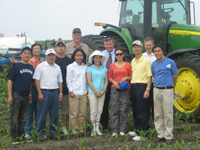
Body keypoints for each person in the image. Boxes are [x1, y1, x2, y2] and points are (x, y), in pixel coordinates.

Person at [33, 49, 63, 140]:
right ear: (45, 57)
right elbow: (36, 80)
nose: (51, 57)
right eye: (49, 55)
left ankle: (53, 132)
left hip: (55, 92)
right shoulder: (40, 66)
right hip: (44, 92)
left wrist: (60, 93)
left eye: (53, 55)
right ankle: (40, 133)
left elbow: (60, 81)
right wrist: (39, 93)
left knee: (55, 114)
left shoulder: (57, 67)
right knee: (42, 114)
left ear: (55, 56)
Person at [7, 46, 34, 144]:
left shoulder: (31, 67)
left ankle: (21, 136)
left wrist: (30, 95)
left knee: (23, 118)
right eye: (25, 53)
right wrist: (10, 95)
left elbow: (30, 83)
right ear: (21, 55)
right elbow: (10, 81)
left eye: (28, 53)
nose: (27, 55)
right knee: (14, 118)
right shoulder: (16, 66)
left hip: (26, 95)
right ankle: (14, 138)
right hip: (16, 94)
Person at [152, 44, 178, 144]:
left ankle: (168, 136)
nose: (157, 53)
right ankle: (160, 134)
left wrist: (170, 84)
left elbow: (175, 74)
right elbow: (154, 75)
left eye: (159, 51)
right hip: (157, 90)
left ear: (163, 52)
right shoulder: (153, 64)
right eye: (155, 51)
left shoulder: (170, 62)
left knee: (168, 113)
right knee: (158, 113)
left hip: (167, 90)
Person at [129, 40, 152, 141]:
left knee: (142, 110)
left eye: (138, 47)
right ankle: (137, 129)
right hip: (133, 86)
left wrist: (147, 89)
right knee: (135, 109)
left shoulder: (146, 60)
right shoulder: (133, 61)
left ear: (141, 48)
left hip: (142, 86)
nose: (136, 48)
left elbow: (149, 76)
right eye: (134, 47)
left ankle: (143, 132)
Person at [108, 48, 132, 136]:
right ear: (115, 55)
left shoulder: (128, 65)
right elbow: (109, 77)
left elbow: (131, 76)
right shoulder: (112, 65)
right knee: (114, 109)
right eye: (117, 54)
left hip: (125, 89)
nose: (119, 56)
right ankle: (114, 130)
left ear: (123, 54)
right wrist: (114, 82)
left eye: (120, 54)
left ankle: (122, 129)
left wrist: (126, 78)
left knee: (124, 109)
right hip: (115, 88)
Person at [86, 50, 108, 136]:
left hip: (102, 92)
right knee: (93, 110)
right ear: (93, 59)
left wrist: (103, 91)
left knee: (100, 110)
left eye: (99, 58)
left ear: (101, 59)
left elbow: (106, 81)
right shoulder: (90, 69)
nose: (97, 59)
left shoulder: (104, 69)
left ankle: (97, 128)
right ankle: (93, 129)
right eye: (96, 58)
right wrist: (95, 92)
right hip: (92, 92)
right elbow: (89, 81)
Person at [24, 43, 44, 139]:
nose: (37, 50)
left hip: (41, 89)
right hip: (32, 89)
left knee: (39, 111)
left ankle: (38, 131)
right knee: (30, 111)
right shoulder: (29, 62)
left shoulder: (44, 62)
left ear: (41, 51)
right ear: (32, 51)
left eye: (38, 49)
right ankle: (27, 131)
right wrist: (30, 93)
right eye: (35, 49)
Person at [67, 48, 87, 136]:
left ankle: (81, 129)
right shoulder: (70, 67)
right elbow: (68, 80)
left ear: (83, 57)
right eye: (77, 55)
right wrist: (71, 91)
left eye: (80, 55)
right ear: (74, 56)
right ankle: (73, 130)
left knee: (82, 113)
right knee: (73, 113)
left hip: (83, 92)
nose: (79, 57)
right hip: (74, 92)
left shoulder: (85, 66)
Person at [55, 41, 73, 135]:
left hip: (66, 88)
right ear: (56, 48)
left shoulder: (69, 60)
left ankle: (65, 126)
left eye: (62, 46)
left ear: (65, 48)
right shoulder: (53, 60)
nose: (60, 48)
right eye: (59, 46)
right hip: (54, 89)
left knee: (66, 109)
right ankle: (55, 127)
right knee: (55, 110)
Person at [100, 37, 116, 130]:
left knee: (114, 104)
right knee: (104, 104)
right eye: (107, 44)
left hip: (114, 82)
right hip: (104, 82)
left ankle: (114, 125)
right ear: (104, 45)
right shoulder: (102, 54)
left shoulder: (118, 53)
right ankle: (104, 125)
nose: (108, 46)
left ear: (113, 44)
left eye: (110, 44)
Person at [143, 37, 156, 122]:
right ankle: (146, 125)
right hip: (144, 84)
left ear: (153, 45)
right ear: (144, 46)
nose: (148, 47)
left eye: (150, 45)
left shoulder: (157, 56)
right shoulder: (142, 56)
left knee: (155, 106)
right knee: (145, 106)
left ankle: (156, 125)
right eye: (147, 45)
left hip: (155, 84)